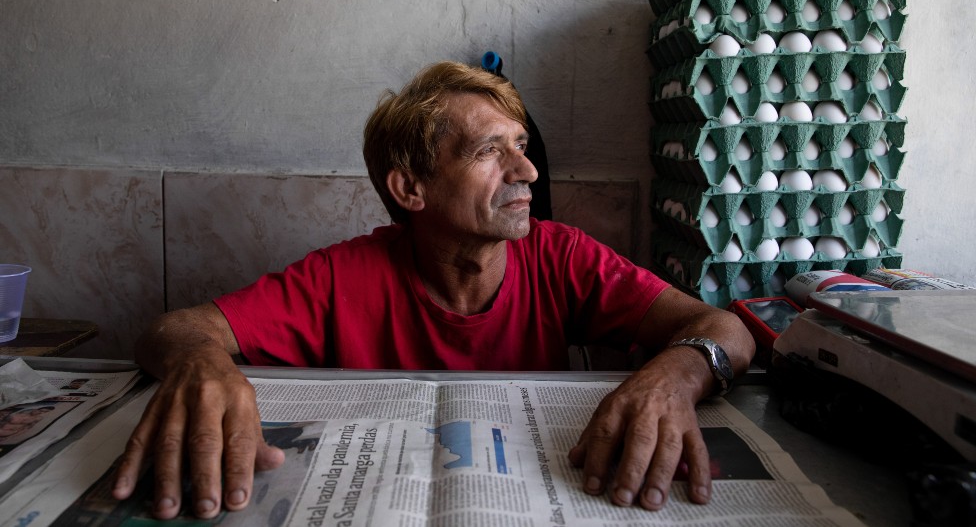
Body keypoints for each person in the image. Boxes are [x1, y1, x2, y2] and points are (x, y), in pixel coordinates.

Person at [111, 61, 754, 520]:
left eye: (522, 147)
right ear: (411, 189)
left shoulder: (562, 256)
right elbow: (173, 330)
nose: (527, 171)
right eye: (489, 151)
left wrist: (675, 374)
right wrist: (200, 363)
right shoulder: (342, 276)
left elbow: (725, 327)